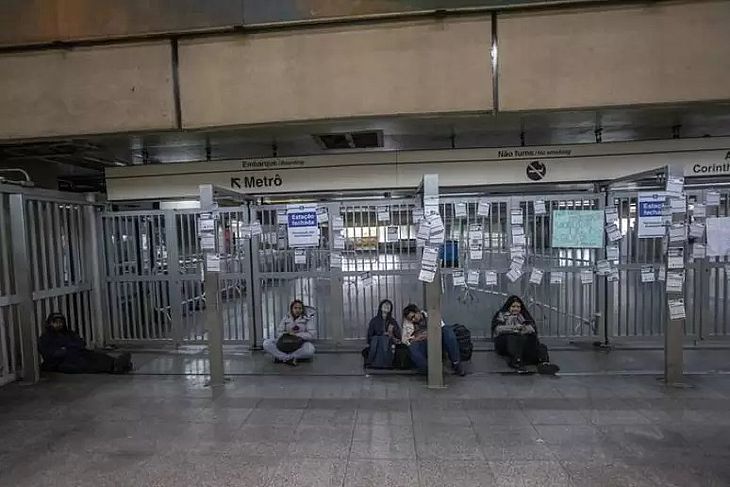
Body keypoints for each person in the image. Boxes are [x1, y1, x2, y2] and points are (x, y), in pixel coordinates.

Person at [38, 312, 132, 374]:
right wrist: (65, 350)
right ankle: (113, 367)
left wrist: (69, 347)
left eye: (60, 322)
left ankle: (115, 362)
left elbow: (81, 342)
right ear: (50, 323)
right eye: (55, 322)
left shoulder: (68, 333)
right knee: (84, 363)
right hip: (62, 361)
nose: (59, 324)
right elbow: (49, 353)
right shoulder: (46, 337)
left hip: (77, 352)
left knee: (94, 355)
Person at [491, 295, 560, 375]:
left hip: (524, 341)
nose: (516, 309)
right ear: (509, 307)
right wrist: (514, 328)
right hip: (507, 342)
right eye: (513, 306)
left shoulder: (523, 315)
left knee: (541, 346)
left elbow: (532, 329)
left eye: (518, 307)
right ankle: (516, 361)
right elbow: (498, 329)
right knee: (514, 338)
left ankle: (544, 364)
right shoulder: (501, 315)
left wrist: (523, 329)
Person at [402, 304, 466, 376]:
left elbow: (441, 327)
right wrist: (416, 338)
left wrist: (425, 335)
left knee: (447, 330)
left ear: (418, 311)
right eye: (411, 319)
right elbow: (405, 340)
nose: (413, 320)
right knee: (412, 347)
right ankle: (428, 370)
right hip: (423, 345)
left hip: (437, 341)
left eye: (413, 316)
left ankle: (456, 363)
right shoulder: (408, 323)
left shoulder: (431, 315)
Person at [263, 299, 316, 366]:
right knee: (266, 343)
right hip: (285, 341)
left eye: (300, 308)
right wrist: (287, 334)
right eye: (295, 308)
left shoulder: (307, 319)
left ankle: (282, 358)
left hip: (301, 343)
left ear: (302, 310)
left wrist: (297, 335)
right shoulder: (286, 318)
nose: (297, 310)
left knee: (310, 350)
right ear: (291, 309)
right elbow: (279, 332)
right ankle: (289, 358)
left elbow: (311, 334)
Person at [364, 299, 401, 368]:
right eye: (385, 305)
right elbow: (370, 334)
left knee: (385, 339)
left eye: (388, 305)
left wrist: (391, 332)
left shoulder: (392, 321)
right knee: (379, 339)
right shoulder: (374, 320)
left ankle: (386, 363)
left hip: (389, 341)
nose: (387, 306)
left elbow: (398, 335)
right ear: (380, 307)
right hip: (376, 341)